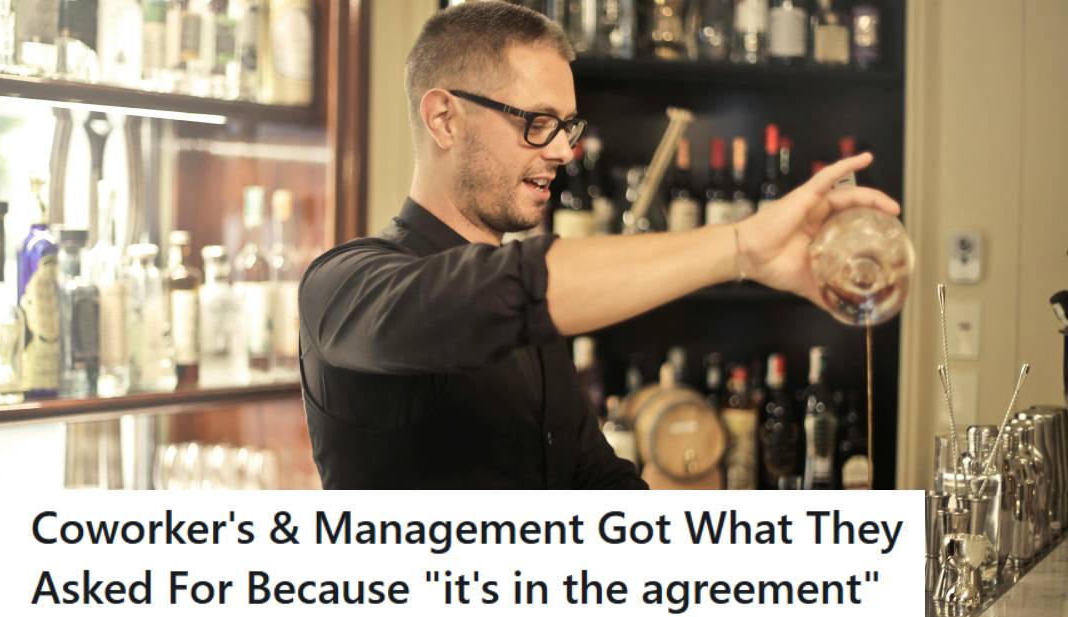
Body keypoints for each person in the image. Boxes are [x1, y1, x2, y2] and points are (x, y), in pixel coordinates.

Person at [298, 2, 899, 489]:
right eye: (536, 122)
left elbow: (593, 478)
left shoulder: (538, 332)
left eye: (568, 127)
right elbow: (504, 290)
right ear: (444, 120)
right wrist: (740, 247)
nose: (563, 151)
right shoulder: (343, 285)